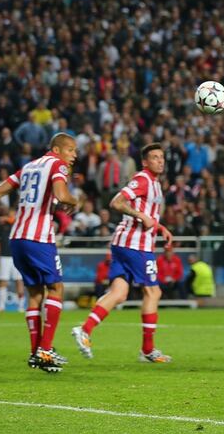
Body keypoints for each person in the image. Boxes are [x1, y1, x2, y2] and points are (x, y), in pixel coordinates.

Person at [0, 132, 80, 373]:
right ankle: (46, 350)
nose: (74, 156)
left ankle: (36, 352)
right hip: (39, 237)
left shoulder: (28, 167)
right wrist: (73, 200)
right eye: (71, 150)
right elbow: (60, 194)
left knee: (35, 293)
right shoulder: (57, 165)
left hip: (17, 238)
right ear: (56, 150)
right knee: (56, 288)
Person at [71, 143, 174, 363]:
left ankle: (85, 330)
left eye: (162, 157)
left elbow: (148, 214)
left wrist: (160, 227)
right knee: (153, 293)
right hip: (135, 245)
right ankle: (147, 350)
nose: (160, 161)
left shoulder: (155, 183)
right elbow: (116, 202)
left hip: (125, 243)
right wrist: (140, 216)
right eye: (154, 157)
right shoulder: (143, 179)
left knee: (119, 293)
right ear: (145, 162)